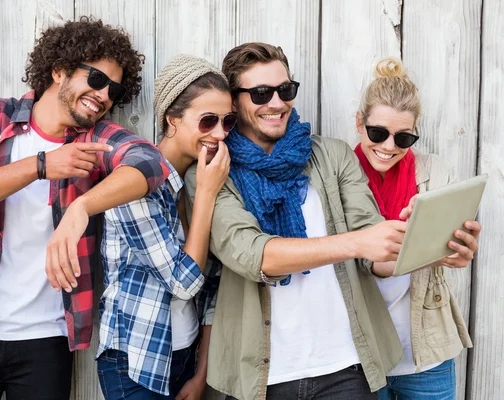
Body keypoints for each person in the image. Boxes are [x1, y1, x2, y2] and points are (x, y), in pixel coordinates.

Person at [183, 42, 480, 400]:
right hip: (259, 375)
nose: (276, 103)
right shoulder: (213, 172)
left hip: (347, 370)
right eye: (260, 93)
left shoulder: (332, 155)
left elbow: (375, 258)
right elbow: (252, 255)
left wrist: (438, 249)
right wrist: (355, 242)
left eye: (285, 90)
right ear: (235, 100)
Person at [0, 17, 168, 400]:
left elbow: (151, 164)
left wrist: (81, 209)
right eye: (95, 79)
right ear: (59, 69)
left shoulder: (95, 139)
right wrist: (41, 165)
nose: (104, 94)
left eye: (114, 88)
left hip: (46, 341)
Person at [94, 55, 232, 399]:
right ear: (172, 119)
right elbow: (184, 282)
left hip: (186, 355)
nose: (220, 133)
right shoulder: (137, 185)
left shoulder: (200, 181)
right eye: (208, 121)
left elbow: (214, 285)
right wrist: (207, 196)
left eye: (228, 121)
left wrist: (201, 372)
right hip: (136, 361)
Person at [354, 57, 480, 400]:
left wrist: (461, 248)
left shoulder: (438, 174)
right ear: (359, 123)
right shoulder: (340, 176)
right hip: (360, 357)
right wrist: (422, 248)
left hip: (427, 352)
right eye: (377, 133)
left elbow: (454, 247)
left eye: (403, 137)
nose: (388, 147)